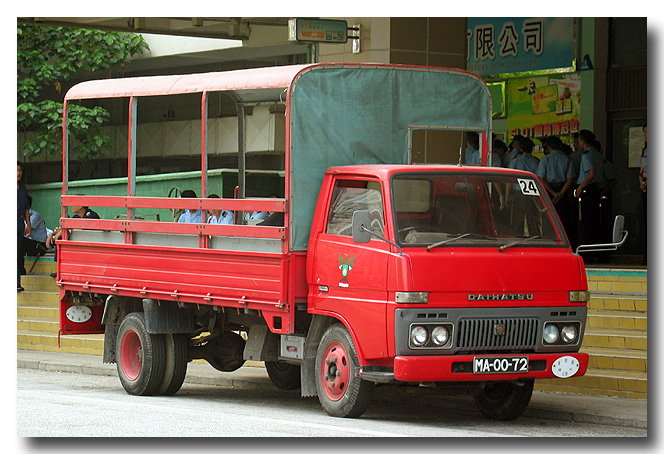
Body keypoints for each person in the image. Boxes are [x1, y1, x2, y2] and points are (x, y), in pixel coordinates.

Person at [537, 136, 575, 243]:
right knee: (564, 220)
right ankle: (564, 243)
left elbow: (542, 180)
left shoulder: (545, 160)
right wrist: (561, 193)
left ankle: (549, 243)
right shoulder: (567, 159)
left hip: (549, 192)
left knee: (548, 219)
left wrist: (553, 193)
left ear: (548, 147)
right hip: (563, 192)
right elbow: (570, 179)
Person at [573, 129, 603, 256]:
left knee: (584, 222)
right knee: (594, 221)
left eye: (579, 139)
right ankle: (595, 253)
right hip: (596, 189)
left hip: (587, 190)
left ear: (583, 141)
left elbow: (591, 173)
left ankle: (585, 253)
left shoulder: (586, 155)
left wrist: (580, 188)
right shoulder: (597, 154)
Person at [19, 195, 48, 275]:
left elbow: (25, 231)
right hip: (29, 244)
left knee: (19, 240)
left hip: (39, 246)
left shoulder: (34, 215)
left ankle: (20, 271)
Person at [17, 161, 32, 291]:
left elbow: (27, 208)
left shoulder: (23, 189)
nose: (18, 173)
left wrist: (28, 224)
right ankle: (16, 283)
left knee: (18, 250)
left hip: (20, 222)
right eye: (15, 171)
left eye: (20, 170)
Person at [639, 124, 647, 265]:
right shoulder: (645, 150)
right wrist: (642, 182)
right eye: (644, 132)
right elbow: (641, 170)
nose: (646, 135)